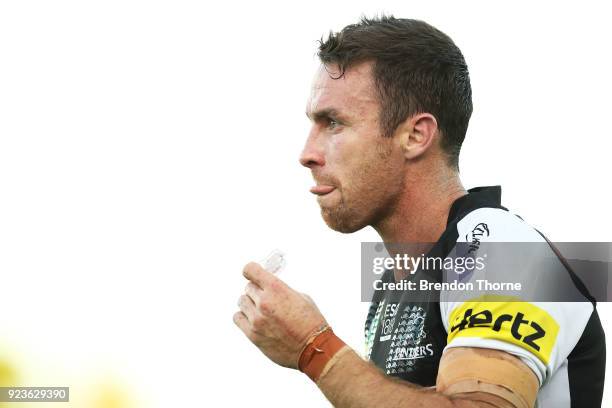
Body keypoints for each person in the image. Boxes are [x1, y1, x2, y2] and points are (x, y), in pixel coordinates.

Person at [233, 16, 605, 408]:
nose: (307, 154)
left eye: (333, 123)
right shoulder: (397, 284)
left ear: (415, 135)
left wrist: (315, 349)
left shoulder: (501, 249)